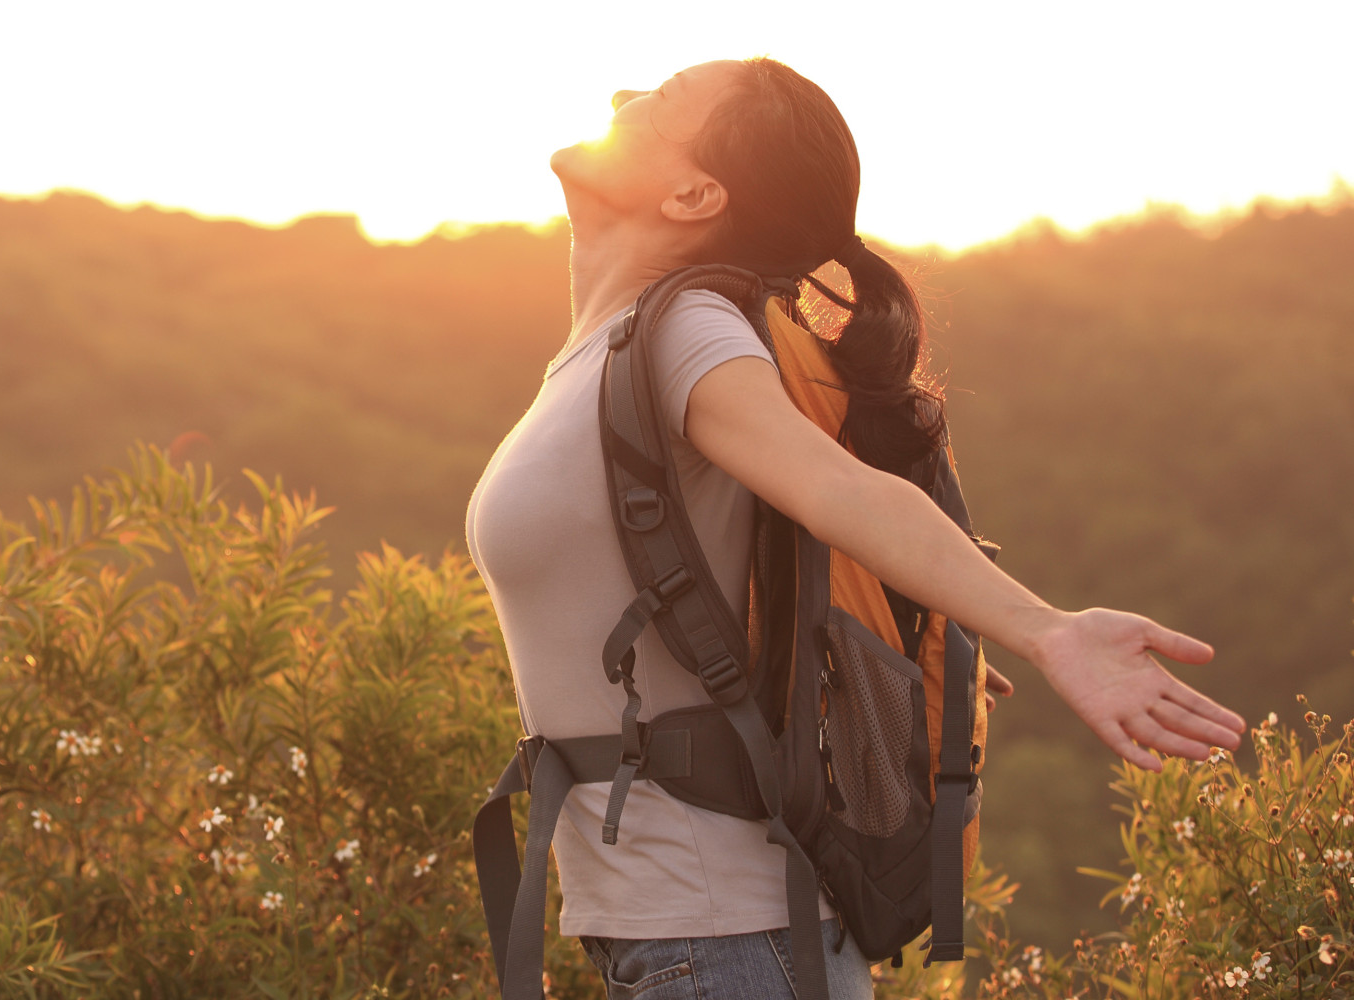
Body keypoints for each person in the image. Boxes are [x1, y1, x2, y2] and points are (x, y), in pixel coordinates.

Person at [461, 57, 1246, 999]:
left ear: (694, 192)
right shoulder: (607, 349)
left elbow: (847, 494)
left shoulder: (688, 332)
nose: (622, 97)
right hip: (678, 940)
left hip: (732, 944)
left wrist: (1046, 629)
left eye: (661, 100)